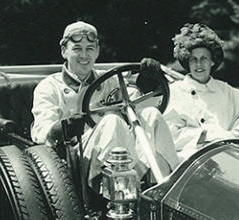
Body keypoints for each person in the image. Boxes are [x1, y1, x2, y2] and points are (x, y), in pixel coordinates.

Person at [30, 21, 179, 187]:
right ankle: (114, 192)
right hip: (78, 160)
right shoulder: (50, 87)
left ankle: (163, 184)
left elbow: (134, 107)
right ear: (64, 51)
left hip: (122, 155)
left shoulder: (110, 81)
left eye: (90, 49)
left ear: (97, 52)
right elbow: (41, 133)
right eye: (77, 48)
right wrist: (64, 126)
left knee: (151, 114)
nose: (84, 55)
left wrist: (147, 83)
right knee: (112, 121)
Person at [164, 23, 239, 160]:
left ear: (212, 61)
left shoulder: (226, 91)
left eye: (204, 58)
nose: (198, 64)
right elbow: (170, 134)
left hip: (228, 156)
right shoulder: (175, 92)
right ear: (187, 62)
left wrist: (235, 136)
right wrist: (205, 136)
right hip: (189, 163)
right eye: (193, 59)